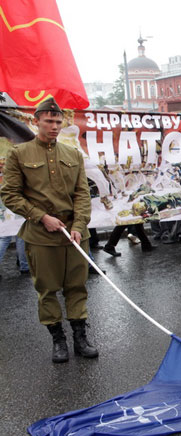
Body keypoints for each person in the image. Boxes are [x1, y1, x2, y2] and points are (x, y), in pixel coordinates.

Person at [0, 97, 98, 363]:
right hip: (41, 235)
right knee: (47, 289)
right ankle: (58, 340)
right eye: (49, 121)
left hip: (75, 235)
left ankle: (80, 337)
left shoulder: (73, 154)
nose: (54, 126)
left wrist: (79, 225)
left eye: (58, 122)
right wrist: (41, 217)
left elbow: (82, 194)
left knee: (77, 287)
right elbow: (9, 194)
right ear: (36, 121)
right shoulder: (19, 154)